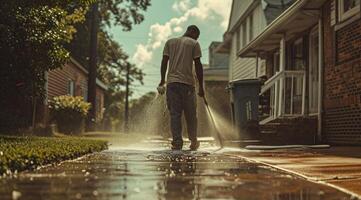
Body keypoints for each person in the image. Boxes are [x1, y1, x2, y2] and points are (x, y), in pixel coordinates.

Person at [158, 25, 205, 151]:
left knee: (175, 114)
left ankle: (177, 142)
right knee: (191, 115)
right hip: (188, 85)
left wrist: (162, 80)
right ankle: (193, 141)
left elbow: (164, 61)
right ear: (193, 32)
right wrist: (201, 86)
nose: (197, 38)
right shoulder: (194, 43)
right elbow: (198, 65)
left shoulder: (170, 42)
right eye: (197, 36)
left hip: (172, 84)